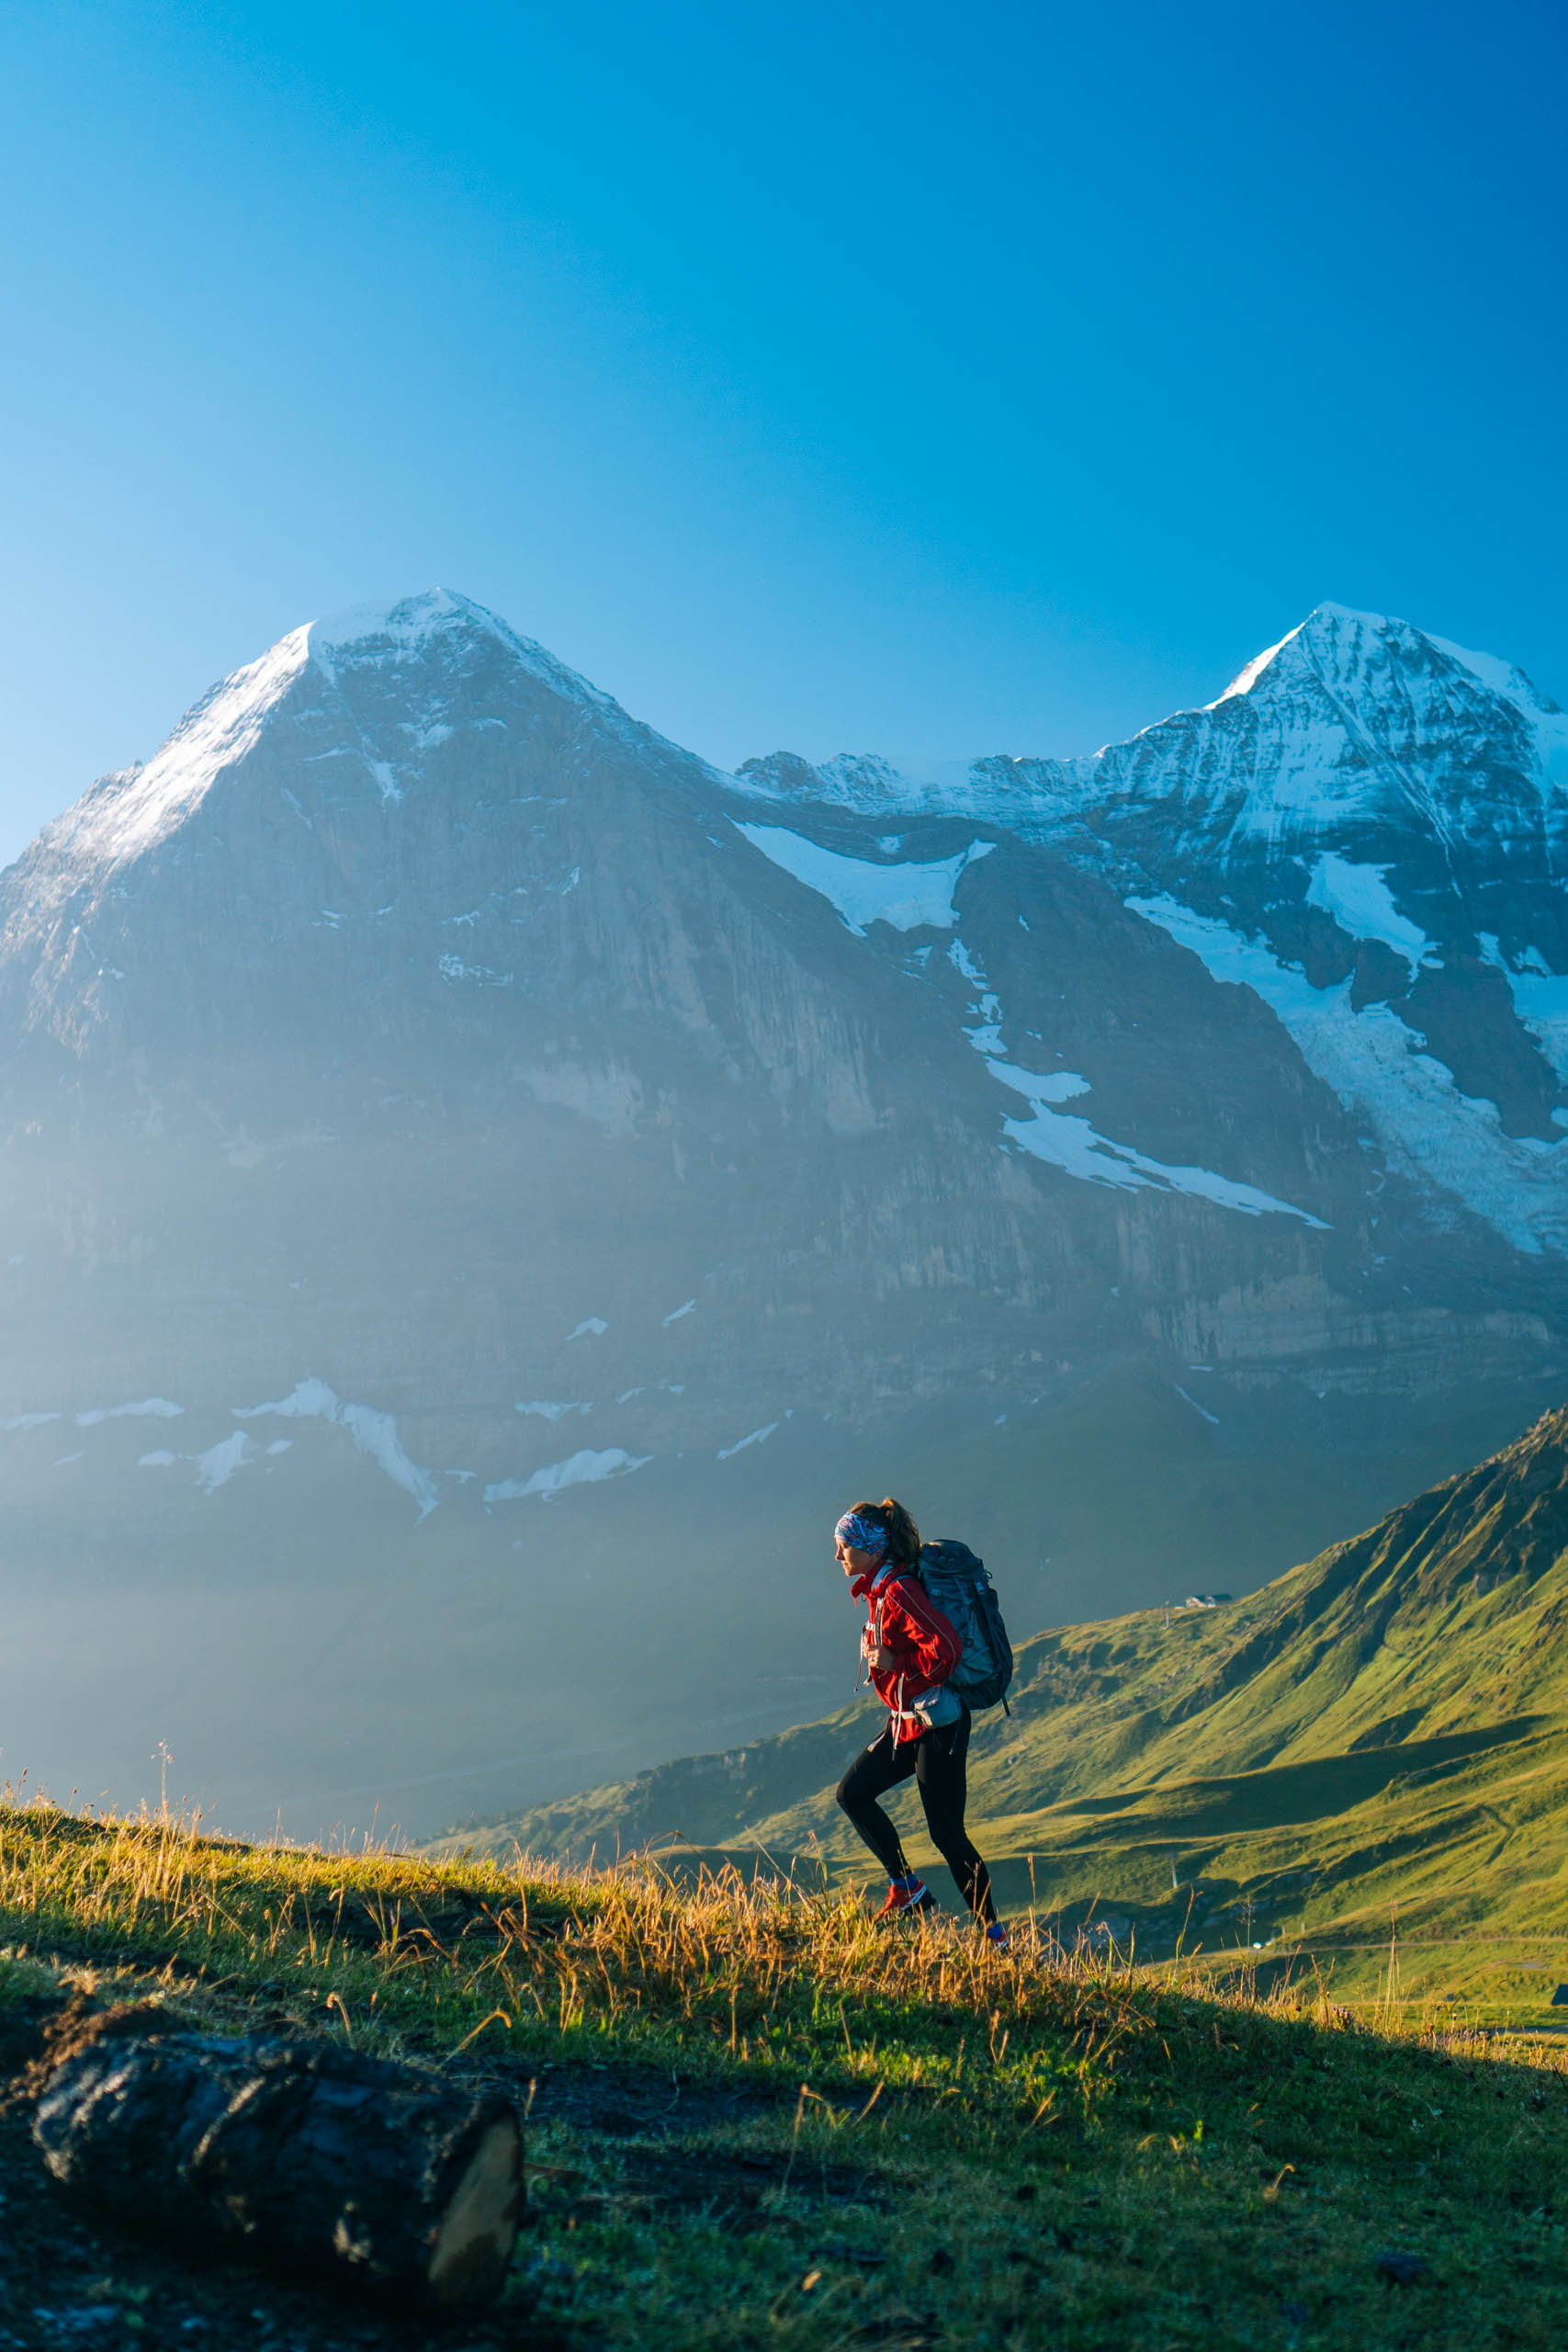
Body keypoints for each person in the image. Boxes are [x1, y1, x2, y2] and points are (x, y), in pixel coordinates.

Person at [833, 1497, 1005, 1940]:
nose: (838, 1556)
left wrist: (896, 1661)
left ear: (871, 1549)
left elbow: (946, 1650)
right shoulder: (880, 1589)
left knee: (947, 1836)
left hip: (939, 1726)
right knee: (852, 1794)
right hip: (906, 1722)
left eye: (845, 1546)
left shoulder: (899, 1591)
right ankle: (907, 1888)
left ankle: (994, 1939)